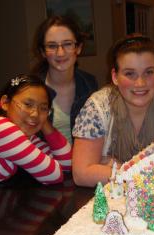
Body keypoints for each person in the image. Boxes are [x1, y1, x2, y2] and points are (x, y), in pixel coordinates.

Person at [72, 35, 154, 187]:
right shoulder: (97, 107)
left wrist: (114, 167)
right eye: (130, 73)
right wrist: (150, 173)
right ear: (115, 77)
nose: (140, 83)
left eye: (149, 72)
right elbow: (82, 174)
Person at [0, 74, 72, 187]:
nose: (35, 114)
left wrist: (44, 123)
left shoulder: (27, 136)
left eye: (43, 108)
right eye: (27, 104)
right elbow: (53, 175)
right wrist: (41, 116)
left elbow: (67, 164)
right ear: (5, 102)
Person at [32, 15, 98, 144]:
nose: (60, 53)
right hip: (42, 163)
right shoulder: (30, 90)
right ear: (43, 52)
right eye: (52, 46)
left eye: (67, 44)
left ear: (78, 48)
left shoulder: (90, 84)